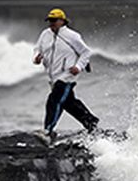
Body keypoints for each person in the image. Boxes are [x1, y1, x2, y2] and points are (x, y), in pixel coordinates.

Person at [33, 8, 99, 138]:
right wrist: (36, 57)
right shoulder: (45, 34)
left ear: (62, 21)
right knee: (69, 103)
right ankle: (91, 122)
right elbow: (37, 49)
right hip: (53, 76)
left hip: (67, 75)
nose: (51, 23)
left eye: (54, 20)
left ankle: (48, 131)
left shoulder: (72, 36)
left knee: (54, 101)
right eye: (49, 20)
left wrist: (78, 67)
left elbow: (85, 52)